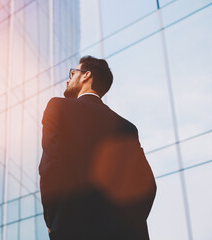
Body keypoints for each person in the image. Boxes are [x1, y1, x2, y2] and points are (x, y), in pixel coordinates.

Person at [39, 56, 157, 240]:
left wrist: (52, 220)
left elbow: (50, 166)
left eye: (72, 73)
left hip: (73, 228)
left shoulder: (58, 107)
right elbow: (148, 186)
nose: (68, 79)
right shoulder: (127, 128)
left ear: (86, 75)